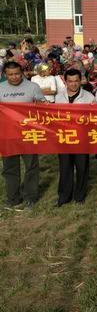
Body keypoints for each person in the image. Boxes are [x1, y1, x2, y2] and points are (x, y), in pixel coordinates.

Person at [0, 61, 46, 208]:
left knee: (31, 166)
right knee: (9, 167)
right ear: (5, 74)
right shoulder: (0, 88)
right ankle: (13, 198)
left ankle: (31, 197)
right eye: (10, 74)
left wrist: (41, 105)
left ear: (22, 73)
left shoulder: (33, 87)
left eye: (17, 74)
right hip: (8, 134)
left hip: (28, 133)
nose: (14, 77)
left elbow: (44, 107)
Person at [54, 68, 95, 206]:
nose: (73, 84)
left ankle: (80, 196)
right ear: (65, 82)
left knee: (82, 167)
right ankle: (64, 196)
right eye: (70, 81)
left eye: (76, 81)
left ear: (80, 81)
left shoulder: (89, 97)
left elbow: (95, 118)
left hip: (82, 138)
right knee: (65, 167)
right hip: (64, 138)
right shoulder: (58, 97)